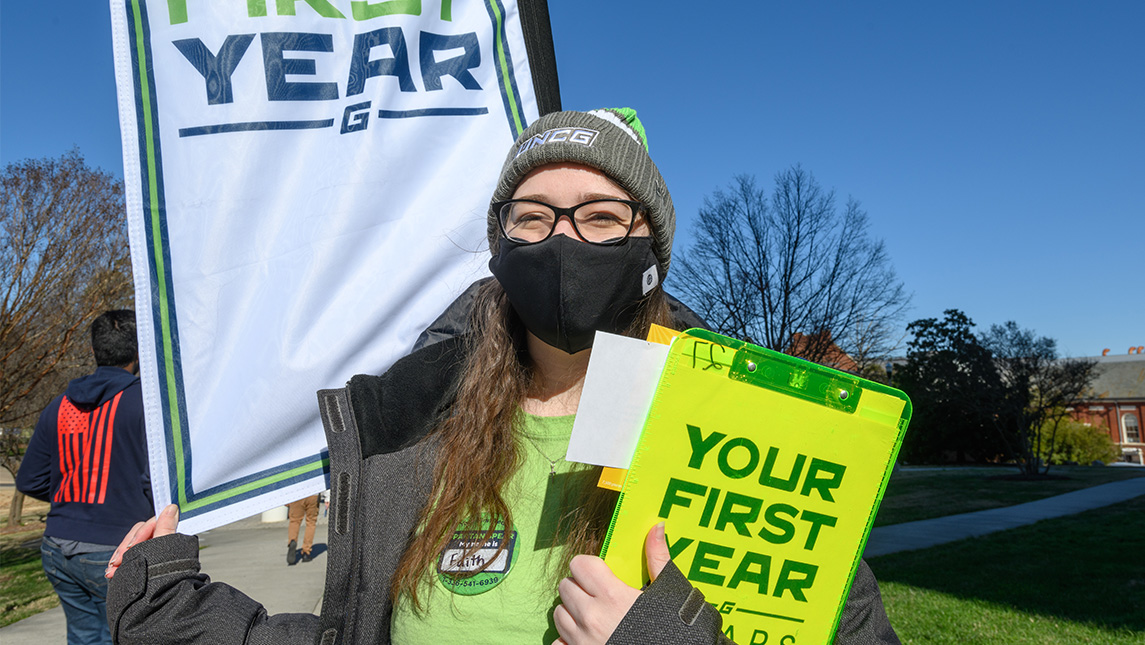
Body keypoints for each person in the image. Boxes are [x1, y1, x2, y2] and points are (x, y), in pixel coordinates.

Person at [106, 109, 898, 644]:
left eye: (599, 216)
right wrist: (170, 608)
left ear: (649, 252)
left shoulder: (748, 434)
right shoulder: (415, 427)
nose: (562, 240)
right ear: (499, 247)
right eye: (533, 215)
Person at [17, 309, 151, 645]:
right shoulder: (145, 403)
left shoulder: (59, 405)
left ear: (93, 351)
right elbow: (155, 483)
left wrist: (73, 497)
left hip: (58, 546)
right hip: (113, 548)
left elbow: (30, 479)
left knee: (85, 638)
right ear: (139, 351)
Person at [285, 493, 321, 565]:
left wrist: (286, 497)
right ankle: (306, 552)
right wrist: (327, 498)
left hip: (297, 493)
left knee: (294, 521)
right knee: (311, 522)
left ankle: (292, 541)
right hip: (313, 495)